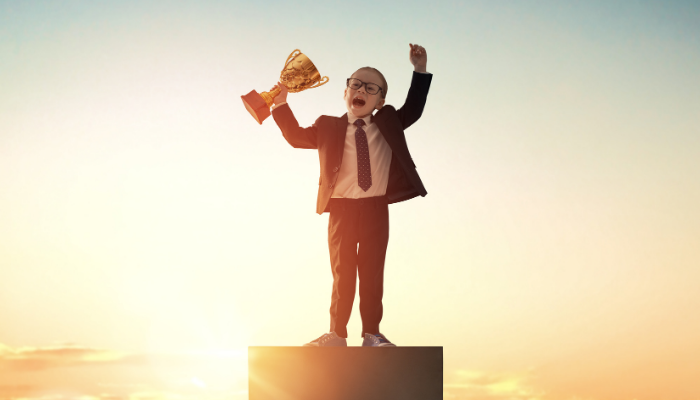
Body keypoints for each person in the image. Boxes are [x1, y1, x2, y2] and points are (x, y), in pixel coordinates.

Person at [270, 43, 432, 347]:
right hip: (341, 210)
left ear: (381, 100)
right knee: (342, 274)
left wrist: (419, 71)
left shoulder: (389, 121)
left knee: (371, 272)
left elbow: (414, 108)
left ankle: (372, 333)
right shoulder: (327, 126)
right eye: (355, 84)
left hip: (375, 208)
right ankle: (337, 334)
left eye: (371, 88)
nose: (361, 90)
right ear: (345, 92)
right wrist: (279, 104)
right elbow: (294, 137)